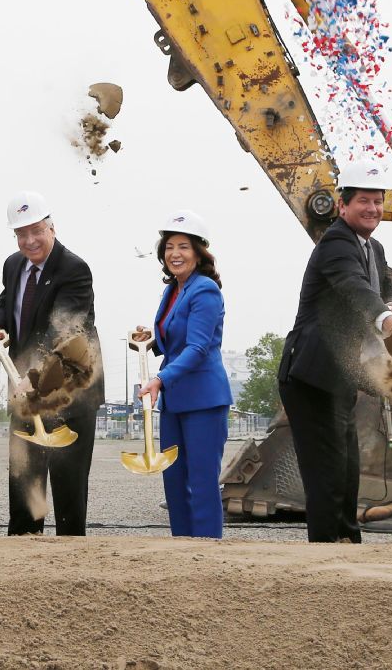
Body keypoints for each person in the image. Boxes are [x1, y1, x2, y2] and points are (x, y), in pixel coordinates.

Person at [275, 161, 392, 543]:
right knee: (326, 470)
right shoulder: (336, 243)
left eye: (378, 202)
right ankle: (326, 549)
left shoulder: (373, 247)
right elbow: (354, 288)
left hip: (339, 375)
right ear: (342, 206)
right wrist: (384, 318)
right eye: (364, 202)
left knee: (347, 467)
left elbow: (384, 288)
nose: (372, 209)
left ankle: (347, 541)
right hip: (309, 376)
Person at [0, 191, 103, 536]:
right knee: (24, 475)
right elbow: (8, 302)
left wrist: (34, 376)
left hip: (69, 391)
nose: (29, 240)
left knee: (68, 481)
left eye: (36, 230)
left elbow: (63, 332)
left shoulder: (74, 269)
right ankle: (23, 546)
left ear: (52, 227)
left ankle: (69, 554)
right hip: (25, 389)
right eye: (21, 234)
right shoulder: (13, 265)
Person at [132, 210, 232, 539]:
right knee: (174, 482)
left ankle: (206, 554)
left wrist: (160, 379)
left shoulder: (204, 290)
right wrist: (152, 338)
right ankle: (182, 552)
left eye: (184, 247)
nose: (175, 253)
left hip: (203, 400)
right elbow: (173, 340)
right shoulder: (174, 290)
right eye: (169, 246)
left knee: (201, 483)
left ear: (199, 253)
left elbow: (198, 347)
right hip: (175, 401)